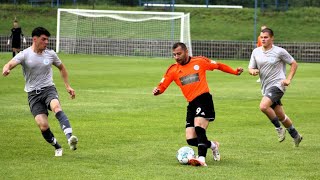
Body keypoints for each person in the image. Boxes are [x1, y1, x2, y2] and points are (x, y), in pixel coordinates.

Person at [152, 42, 243, 166]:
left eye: (179, 54)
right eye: (174, 55)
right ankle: (213, 145)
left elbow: (218, 65)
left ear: (186, 52)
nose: (176, 57)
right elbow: (163, 85)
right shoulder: (173, 69)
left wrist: (234, 71)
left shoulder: (199, 61)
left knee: (199, 127)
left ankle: (201, 159)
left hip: (204, 99)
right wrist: (158, 91)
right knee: (191, 139)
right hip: (191, 103)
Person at [2, 27, 78, 156]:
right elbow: (9, 64)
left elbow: (62, 67)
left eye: (47, 39)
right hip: (33, 94)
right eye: (44, 39)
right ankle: (57, 147)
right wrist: (6, 69)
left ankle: (70, 137)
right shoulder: (25, 54)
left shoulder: (51, 54)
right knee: (43, 126)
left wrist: (67, 86)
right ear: (35, 39)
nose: (46, 42)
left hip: (48, 89)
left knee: (56, 107)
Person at [248, 28, 302, 147]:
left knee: (263, 106)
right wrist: (253, 71)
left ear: (272, 38)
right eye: (261, 37)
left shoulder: (279, 51)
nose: (263, 39)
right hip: (266, 88)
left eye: (266, 37)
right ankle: (296, 135)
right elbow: (250, 68)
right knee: (281, 115)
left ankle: (279, 129)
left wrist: (288, 79)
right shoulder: (256, 52)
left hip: (278, 85)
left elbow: (294, 63)